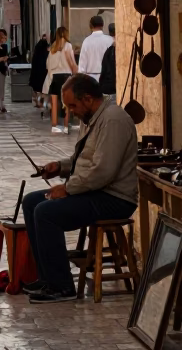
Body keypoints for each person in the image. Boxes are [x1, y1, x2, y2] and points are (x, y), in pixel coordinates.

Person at [21, 73, 138, 303]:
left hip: (114, 198)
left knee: (46, 213)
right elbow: (81, 159)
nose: (70, 111)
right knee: (31, 202)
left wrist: (68, 188)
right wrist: (59, 167)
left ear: (87, 99)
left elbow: (103, 171)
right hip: (96, 190)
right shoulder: (91, 117)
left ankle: (61, 286)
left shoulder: (113, 120)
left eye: (72, 105)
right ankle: (47, 278)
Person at [43, 26, 78, 133]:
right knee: (67, 102)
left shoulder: (53, 47)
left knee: (54, 102)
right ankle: (66, 126)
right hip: (66, 76)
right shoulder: (68, 46)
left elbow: (48, 64)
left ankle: (54, 126)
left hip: (55, 76)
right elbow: (72, 62)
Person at [29, 35, 49, 108]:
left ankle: (38, 102)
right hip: (43, 74)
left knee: (38, 91)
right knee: (43, 90)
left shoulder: (37, 52)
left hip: (36, 75)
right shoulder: (45, 53)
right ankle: (42, 103)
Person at [99, 22, 116, 98]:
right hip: (113, 86)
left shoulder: (110, 50)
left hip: (108, 86)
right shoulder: (110, 49)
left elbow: (104, 69)